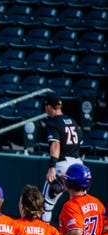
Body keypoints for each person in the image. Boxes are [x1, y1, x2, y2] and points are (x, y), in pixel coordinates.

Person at [40, 92, 84, 223]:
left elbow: (55, 145)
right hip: (78, 166)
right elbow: (79, 143)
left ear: (48, 106)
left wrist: (52, 167)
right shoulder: (73, 121)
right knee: (79, 204)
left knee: (46, 205)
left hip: (62, 165)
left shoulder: (53, 123)